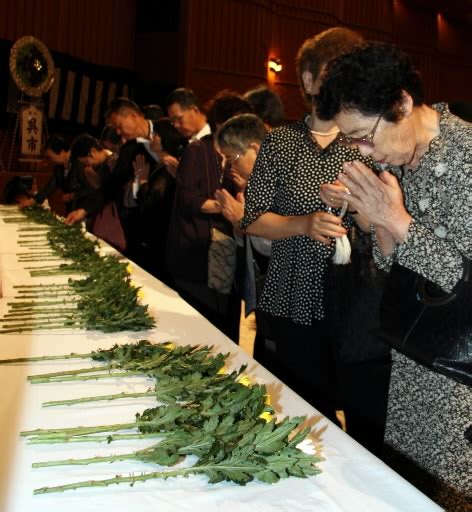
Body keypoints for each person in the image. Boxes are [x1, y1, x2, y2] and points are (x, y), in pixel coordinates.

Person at [316, 41, 472, 511]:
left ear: (401, 103)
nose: (363, 150)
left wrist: (397, 220)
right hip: (411, 363)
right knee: (403, 493)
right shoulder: (396, 160)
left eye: (364, 135)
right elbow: (396, 269)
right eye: (351, 140)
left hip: (461, 381)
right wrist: (376, 224)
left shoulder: (468, 156)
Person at [240, 27, 370, 426]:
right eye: (332, 72)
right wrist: (305, 223)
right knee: (284, 410)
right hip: (288, 297)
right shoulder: (280, 142)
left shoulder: (364, 143)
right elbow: (253, 220)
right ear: (309, 81)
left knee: (339, 416)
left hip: (347, 306)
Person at [165, 91, 253, 341]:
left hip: (226, 254)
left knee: (226, 330)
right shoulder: (197, 150)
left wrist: (244, 187)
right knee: (199, 331)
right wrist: (224, 206)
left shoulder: (236, 158)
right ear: (221, 125)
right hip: (196, 256)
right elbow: (188, 200)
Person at [215, 113, 271, 359]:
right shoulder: (255, 185)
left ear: (254, 149)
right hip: (264, 298)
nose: (229, 166)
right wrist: (238, 225)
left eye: (231, 158)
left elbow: (276, 245)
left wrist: (243, 220)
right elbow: (247, 243)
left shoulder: (280, 182)